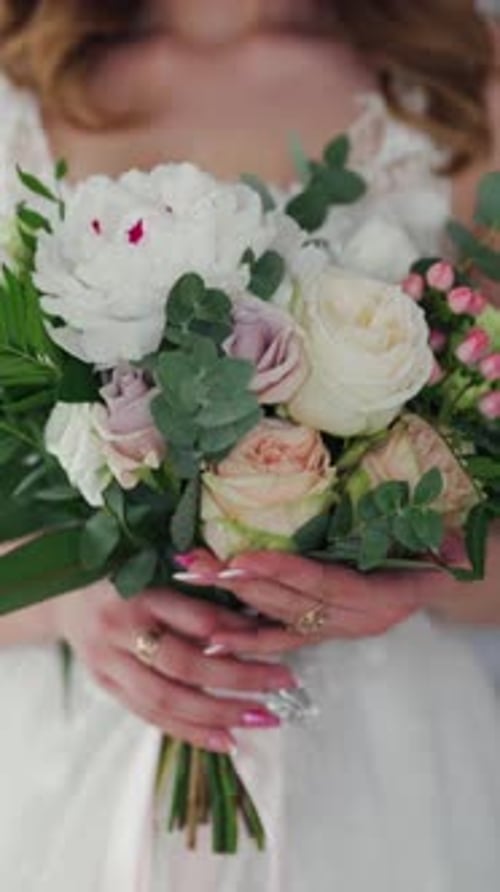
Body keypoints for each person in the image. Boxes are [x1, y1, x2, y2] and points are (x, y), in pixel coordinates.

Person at [0, 1, 499, 890]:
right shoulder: (15, 88)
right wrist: (61, 601)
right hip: (72, 768)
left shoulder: (463, 88)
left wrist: (417, 580)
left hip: (384, 775)